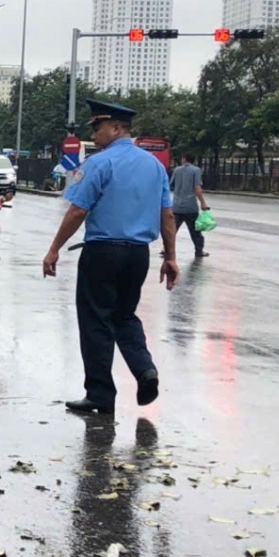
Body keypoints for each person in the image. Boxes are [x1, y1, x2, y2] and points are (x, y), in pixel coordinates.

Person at [42, 99, 179, 416]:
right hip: (138, 255)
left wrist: (54, 249)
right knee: (124, 315)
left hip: (102, 252)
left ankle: (100, 395)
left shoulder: (98, 164)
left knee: (95, 321)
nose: (95, 133)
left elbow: (78, 210)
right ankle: (145, 370)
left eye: (98, 127)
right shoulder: (154, 166)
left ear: (116, 128)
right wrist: (170, 257)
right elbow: (167, 215)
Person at [168, 154, 210, 258]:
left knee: (172, 230)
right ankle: (199, 251)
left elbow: (171, 184)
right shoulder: (196, 170)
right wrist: (203, 203)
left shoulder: (177, 170)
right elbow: (197, 188)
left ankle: (166, 249)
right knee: (195, 231)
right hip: (190, 207)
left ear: (184, 159)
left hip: (176, 206)